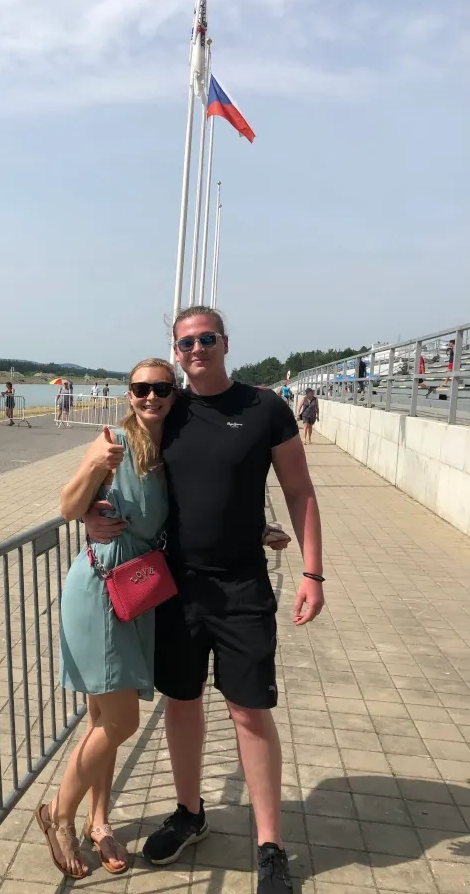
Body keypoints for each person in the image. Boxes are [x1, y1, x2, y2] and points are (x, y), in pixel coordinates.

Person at [85, 306, 324, 894]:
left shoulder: (264, 408)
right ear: (175, 350)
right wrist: (91, 513)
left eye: (206, 338)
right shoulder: (169, 408)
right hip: (177, 585)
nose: (196, 349)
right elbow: (118, 469)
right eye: (186, 342)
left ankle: (271, 847)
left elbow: (299, 490)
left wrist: (313, 573)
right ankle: (189, 813)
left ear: (225, 343)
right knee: (182, 701)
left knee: (249, 710)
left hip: (242, 587)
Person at [36, 358, 176, 878]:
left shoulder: (169, 450)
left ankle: (99, 821)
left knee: (103, 721)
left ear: (174, 394)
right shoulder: (113, 442)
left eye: (161, 388)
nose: (150, 396)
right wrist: (94, 467)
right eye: (140, 388)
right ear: (130, 393)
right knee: (122, 720)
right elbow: (68, 505)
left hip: (136, 587)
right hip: (100, 586)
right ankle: (59, 813)